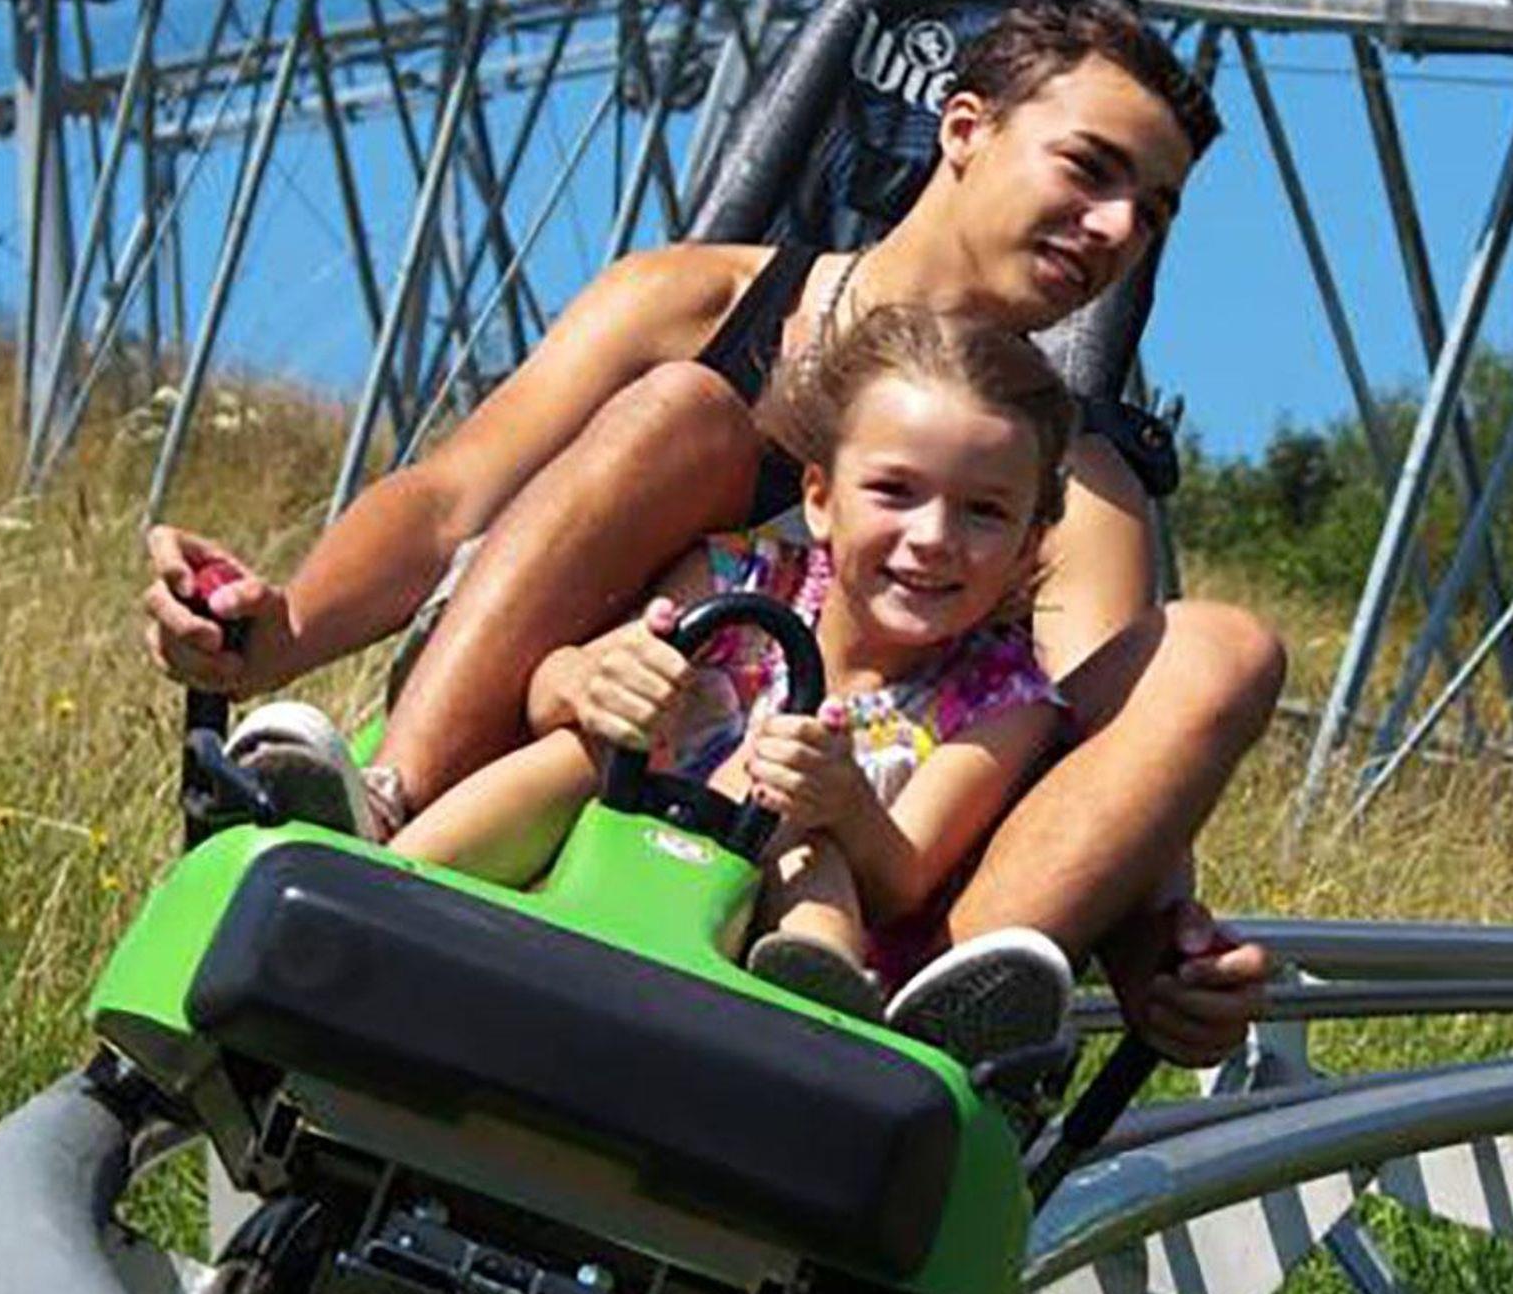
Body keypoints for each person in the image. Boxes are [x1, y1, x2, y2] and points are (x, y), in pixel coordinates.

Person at [144, 0, 1282, 1069]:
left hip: (846, 871)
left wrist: (1157, 951)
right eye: (1090, 169)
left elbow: (1085, 756)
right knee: (684, 412)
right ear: (964, 129)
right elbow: (452, 498)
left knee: (1222, 647)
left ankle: (930, 1020)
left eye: (1152, 211)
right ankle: (388, 809)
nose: (1116, 227)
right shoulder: (699, 304)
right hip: (587, 756)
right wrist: (281, 629)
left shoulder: (1073, 486)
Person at [386, 305, 1074, 1047]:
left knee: (802, 834)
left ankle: (819, 1003)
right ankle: (392, 873)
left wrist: (844, 803)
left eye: (984, 513)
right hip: (604, 859)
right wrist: (590, 678)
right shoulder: (732, 579)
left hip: (742, 947)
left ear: (1027, 546)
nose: (934, 538)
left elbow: (901, 879)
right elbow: (551, 694)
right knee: (587, 747)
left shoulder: (1003, 699)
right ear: (821, 500)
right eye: (895, 491)